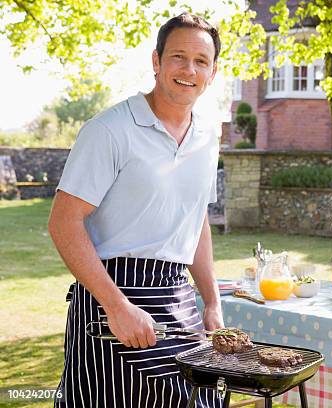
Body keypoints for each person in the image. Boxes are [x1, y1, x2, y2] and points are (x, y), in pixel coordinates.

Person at [48, 13, 223, 407]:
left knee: (201, 398)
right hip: (109, 298)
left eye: (201, 61)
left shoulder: (207, 137)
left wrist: (211, 301)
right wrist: (117, 306)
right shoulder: (109, 130)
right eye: (178, 57)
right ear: (156, 61)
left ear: (212, 73)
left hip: (178, 296)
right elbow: (63, 221)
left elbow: (196, 222)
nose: (189, 69)